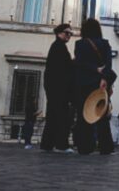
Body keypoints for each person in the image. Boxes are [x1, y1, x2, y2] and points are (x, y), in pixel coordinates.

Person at [74, 18, 117, 155]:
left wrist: (94, 69)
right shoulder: (105, 44)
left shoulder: (80, 44)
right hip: (101, 84)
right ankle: (106, 147)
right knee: (102, 115)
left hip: (84, 84)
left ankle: (85, 147)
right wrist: (103, 77)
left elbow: (79, 63)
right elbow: (109, 63)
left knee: (84, 115)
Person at [40, 23, 74, 153]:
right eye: (67, 33)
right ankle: (61, 145)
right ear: (59, 33)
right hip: (59, 89)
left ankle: (47, 144)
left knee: (53, 117)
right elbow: (62, 70)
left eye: (71, 33)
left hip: (54, 89)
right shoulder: (58, 47)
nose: (69, 35)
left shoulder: (58, 47)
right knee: (62, 118)